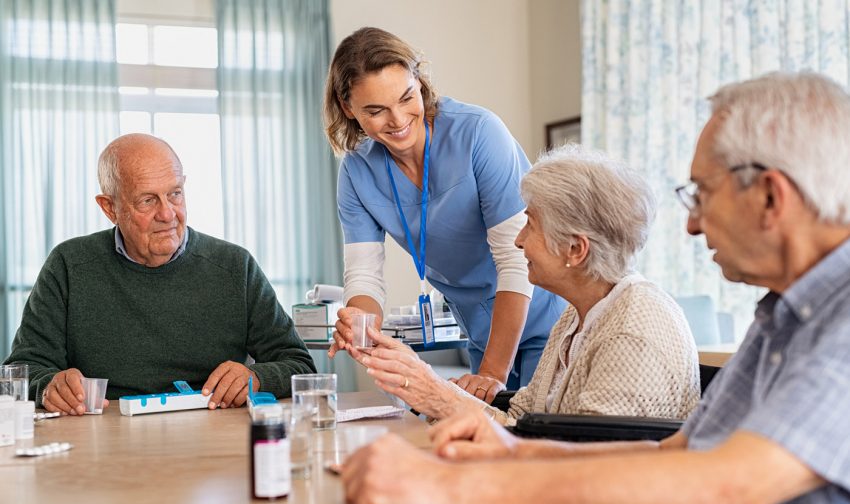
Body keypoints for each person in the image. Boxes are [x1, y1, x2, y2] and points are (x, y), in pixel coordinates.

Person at [341, 71, 850, 504]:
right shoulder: (785, 315)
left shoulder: (840, 322)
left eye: (703, 193)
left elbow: (729, 489)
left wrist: (452, 486)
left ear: (770, 196)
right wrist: (516, 453)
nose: (692, 225)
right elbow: (677, 453)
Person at [345, 145, 699, 423]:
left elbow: (583, 468)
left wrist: (438, 394)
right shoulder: (577, 318)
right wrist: (429, 389)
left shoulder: (630, 333)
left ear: (574, 249)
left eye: (530, 225)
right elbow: (521, 421)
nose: (518, 241)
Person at [324, 27, 565, 398]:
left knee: (536, 440)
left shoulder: (479, 134)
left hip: (546, 318)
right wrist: (359, 321)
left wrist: (491, 376)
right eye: (376, 110)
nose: (398, 119)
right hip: (482, 332)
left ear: (419, 82)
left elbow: (516, 262)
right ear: (348, 109)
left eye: (407, 97)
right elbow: (364, 278)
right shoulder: (357, 172)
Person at [3, 134, 316, 415]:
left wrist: (258, 377)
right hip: (104, 438)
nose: (167, 214)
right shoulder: (69, 265)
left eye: (175, 194)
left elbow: (300, 366)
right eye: (147, 200)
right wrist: (48, 387)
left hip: (209, 437)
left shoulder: (235, 266)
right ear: (109, 208)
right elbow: (20, 371)